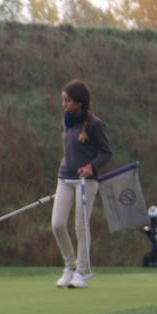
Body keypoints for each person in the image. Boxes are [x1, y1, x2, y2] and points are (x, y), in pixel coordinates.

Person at [51, 79, 112, 289]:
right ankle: (69, 266)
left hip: (86, 182)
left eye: (67, 101)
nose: (64, 105)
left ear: (79, 102)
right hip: (65, 178)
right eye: (63, 101)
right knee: (57, 224)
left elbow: (106, 153)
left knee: (81, 226)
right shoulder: (66, 121)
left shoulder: (95, 125)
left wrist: (91, 167)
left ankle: (80, 272)